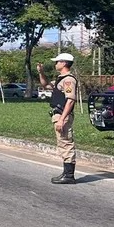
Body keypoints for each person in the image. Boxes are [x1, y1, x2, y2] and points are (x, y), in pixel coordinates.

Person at [38, 53, 78, 184]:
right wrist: (41, 72)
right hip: (58, 114)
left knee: (66, 143)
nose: (56, 64)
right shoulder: (61, 79)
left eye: (57, 62)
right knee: (62, 143)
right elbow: (46, 85)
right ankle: (66, 173)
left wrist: (62, 119)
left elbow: (70, 100)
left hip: (62, 115)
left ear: (64, 63)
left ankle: (69, 175)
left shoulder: (68, 80)